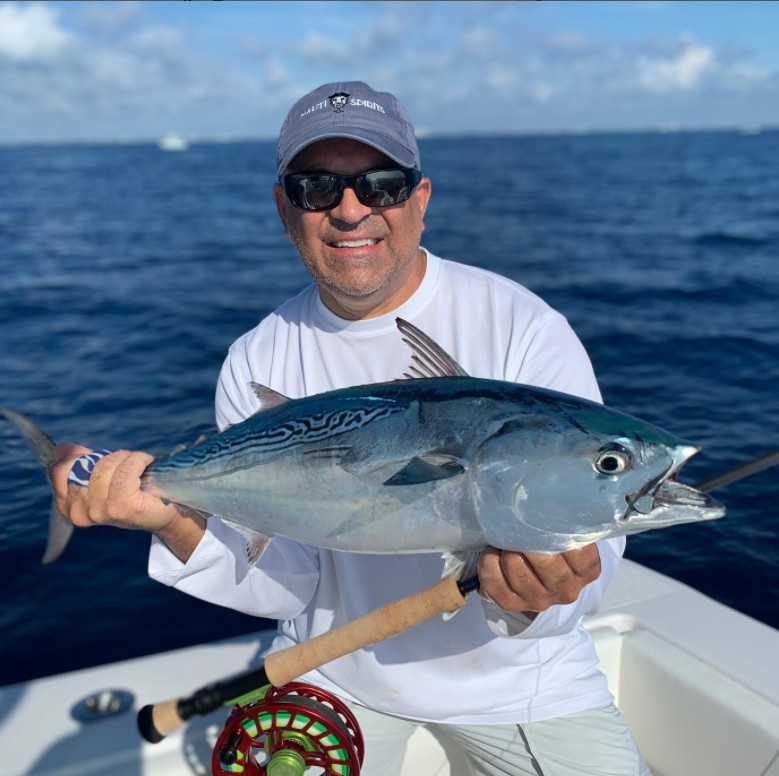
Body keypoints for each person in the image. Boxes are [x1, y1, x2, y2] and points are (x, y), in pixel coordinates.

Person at [52, 81, 650, 776]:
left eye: (381, 185)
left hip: (519, 681)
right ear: (285, 208)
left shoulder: (522, 328)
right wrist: (170, 520)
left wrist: (550, 593)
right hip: (334, 669)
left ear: (419, 200)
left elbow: (594, 542)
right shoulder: (258, 355)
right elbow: (288, 586)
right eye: (316, 188)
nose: (350, 209)